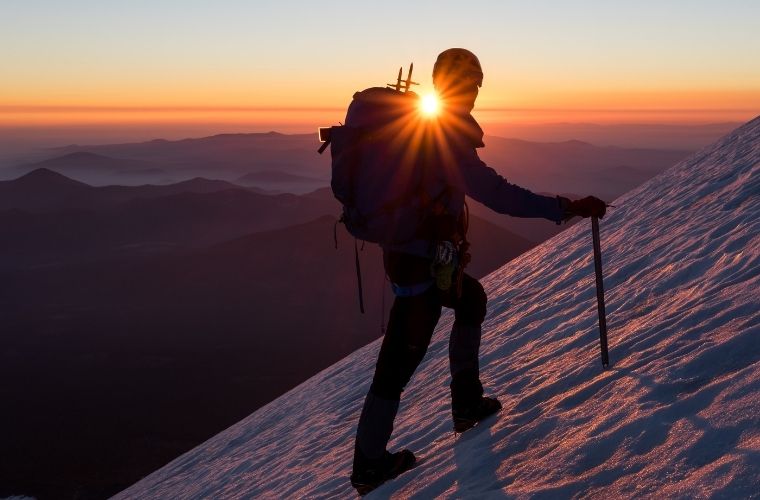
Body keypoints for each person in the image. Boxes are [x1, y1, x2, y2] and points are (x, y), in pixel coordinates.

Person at [349, 48, 607, 495]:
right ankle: (369, 464)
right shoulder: (443, 135)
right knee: (399, 361)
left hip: (418, 255)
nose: (473, 93)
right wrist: (563, 208)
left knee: (472, 298)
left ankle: (466, 403)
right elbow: (498, 194)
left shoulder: (426, 126)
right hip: (418, 264)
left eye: (475, 85)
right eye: (471, 83)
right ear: (456, 84)